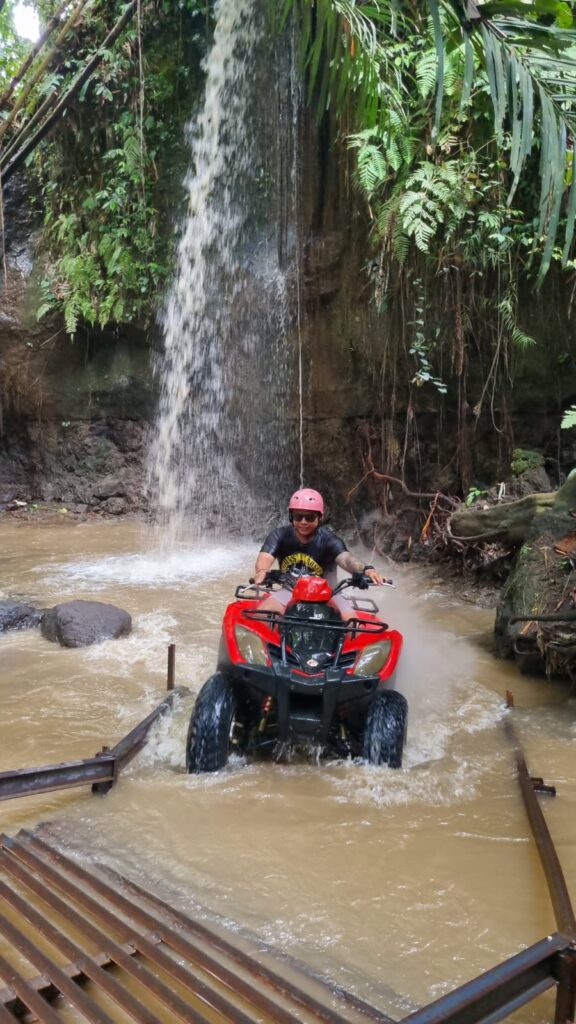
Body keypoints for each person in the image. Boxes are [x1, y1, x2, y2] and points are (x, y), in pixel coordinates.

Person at [253, 488, 387, 616]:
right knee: (263, 613)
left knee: (351, 621)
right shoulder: (279, 535)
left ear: (320, 517)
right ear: (291, 516)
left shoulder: (330, 540)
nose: (303, 522)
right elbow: (266, 556)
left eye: (310, 518)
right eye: (298, 517)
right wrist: (262, 571)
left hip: (329, 594)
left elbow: (346, 559)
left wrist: (366, 570)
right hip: (291, 590)